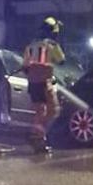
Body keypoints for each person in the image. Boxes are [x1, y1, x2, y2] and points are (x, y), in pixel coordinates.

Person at [23, 16, 66, 154]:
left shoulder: (30, 46)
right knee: (53, 111)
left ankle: (37, 136)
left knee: (40, 112)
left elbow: (25, 67)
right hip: (44, 83)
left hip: (33, 83)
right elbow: (61, 61)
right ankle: (37, 136)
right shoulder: (52, 45)